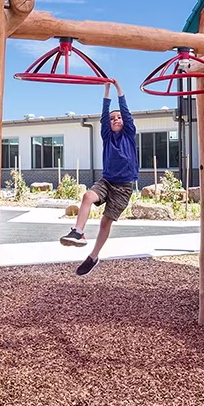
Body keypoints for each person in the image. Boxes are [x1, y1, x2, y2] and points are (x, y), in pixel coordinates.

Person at [59, 79, 138, 275]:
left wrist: (119, 89)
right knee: (87, 196)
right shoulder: (107, 136)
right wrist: (106, 90)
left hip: (124, 187)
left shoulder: (129, 134)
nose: (116, 120)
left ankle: (93, 257)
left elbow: (125, 112)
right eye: (113, 119)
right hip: (107, 181)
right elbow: (104, 115)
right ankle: (78, 232)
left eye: (119, 117)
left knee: (105, 222)